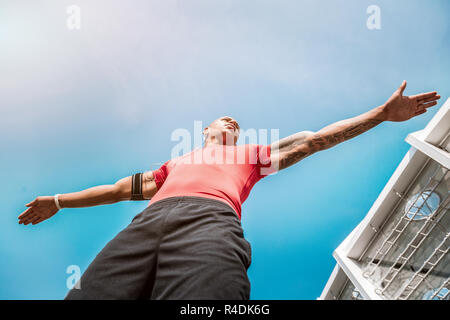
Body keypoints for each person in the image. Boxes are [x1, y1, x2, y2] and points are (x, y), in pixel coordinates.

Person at [18, 81, 440, 299]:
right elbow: (113, 189)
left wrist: (381, 115)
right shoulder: (173, 165)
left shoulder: (253, 156)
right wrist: (57, 201)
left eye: (236, 123)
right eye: (225, 120)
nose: (232, 124)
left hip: (209, 223)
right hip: (145, 225)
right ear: (206, 130)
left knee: (206, 295)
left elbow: (312, 139)